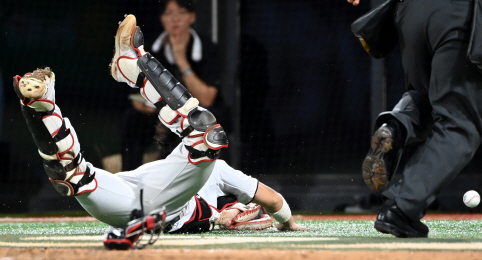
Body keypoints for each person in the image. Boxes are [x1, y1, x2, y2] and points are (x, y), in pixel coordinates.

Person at [14, 14, 306, 249]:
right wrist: (286, 222)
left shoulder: (213, 206)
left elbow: (254, 206)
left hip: (145, 212)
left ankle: (40, 105)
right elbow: (273, 201)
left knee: (70, 178)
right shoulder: (217, 172)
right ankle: (131, 65)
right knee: (75, 178)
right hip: (127, 197)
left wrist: (221, 216)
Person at [348, 0, 482, 238]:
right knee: (460, 125)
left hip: (410, 13)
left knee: (423, 96)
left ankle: (397, 125)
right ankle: (401, 207)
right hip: (456, 15)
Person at [122, 0, 225, 170]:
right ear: (162, 19)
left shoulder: (208, 49)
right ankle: (130, 180)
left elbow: (207, 98)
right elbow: (139, 94)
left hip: (196, 114)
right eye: (169, 13)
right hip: (160, 113)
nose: (175, 19)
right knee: (132, 120)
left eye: (181, 13)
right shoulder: (150, 51)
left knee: (190, 123)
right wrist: (140, 103)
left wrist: (181, 59)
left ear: (192, 17)